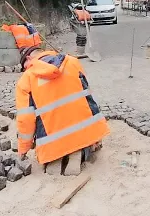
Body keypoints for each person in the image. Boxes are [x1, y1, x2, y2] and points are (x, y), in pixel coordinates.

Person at [15, 46, 110, 175]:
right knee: (84, 136)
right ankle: (80, 151)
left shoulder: (26, 79)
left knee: (50, 146)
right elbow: (87, 98)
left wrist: (23, 149)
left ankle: (57, 156)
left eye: (24, 67)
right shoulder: (72, 62)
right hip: (84, 132)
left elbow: (25, 120)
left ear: (28, 58)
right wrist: (96, 139)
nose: (25, 70)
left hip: (52, 142)